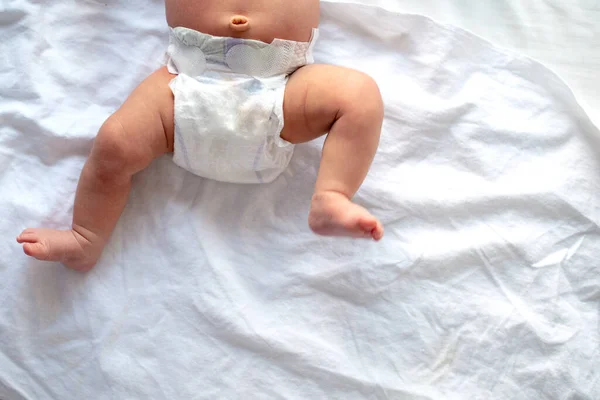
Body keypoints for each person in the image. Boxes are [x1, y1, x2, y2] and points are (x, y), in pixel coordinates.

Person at [17, 0, 384, 271]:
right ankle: (85, 237)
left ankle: (331, 195)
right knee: (115, 141)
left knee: (358, 96)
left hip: (282, 86)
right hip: (183, 85)